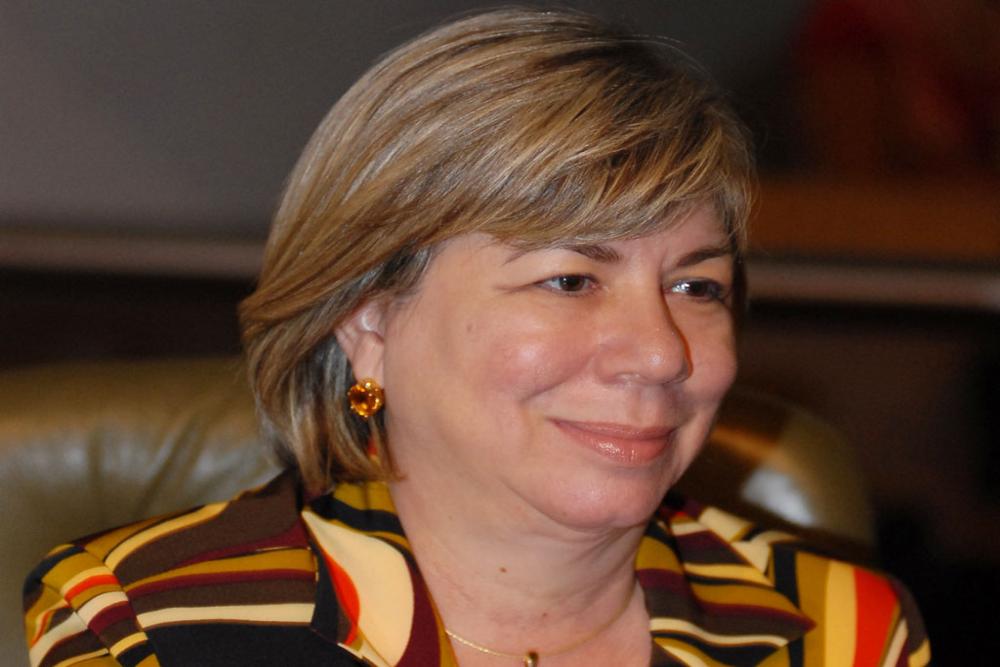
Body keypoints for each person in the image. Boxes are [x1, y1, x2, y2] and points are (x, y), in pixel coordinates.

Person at [23, 8, 928, 666]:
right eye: (570, 280)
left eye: (697, 285)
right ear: (368, 319)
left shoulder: (837, 629)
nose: (660, 352)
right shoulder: (146, 626)